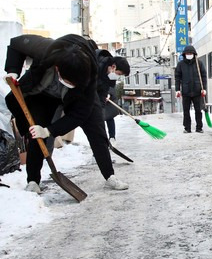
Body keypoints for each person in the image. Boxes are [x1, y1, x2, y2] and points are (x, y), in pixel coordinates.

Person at [4, 34, 128, 193]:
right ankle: (33, 181)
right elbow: (16, 43)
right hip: (45, 94)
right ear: (57, 68)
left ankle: (109, 176)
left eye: (73, 84)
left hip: (78, 98)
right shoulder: (46, 49)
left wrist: (51, 130)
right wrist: (13, 71)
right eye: (68, 81)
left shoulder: (88, 78)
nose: (69, 85)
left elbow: (79, 115)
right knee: (37, 132)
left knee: (97, 131)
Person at [96, 51, 130, 146]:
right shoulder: (96, 67)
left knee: (105, 119)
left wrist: (106, 95)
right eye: (119, 74)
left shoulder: (110, 77)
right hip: (86, 100)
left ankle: (107, 140)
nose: (118, 77)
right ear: (113, 66)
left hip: (101, 101)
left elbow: (107, 88)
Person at [175, 45, 206, 133]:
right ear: (184, 54)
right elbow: (177, 77)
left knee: (198, 110)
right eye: (187, 53)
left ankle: (199, 127)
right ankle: (187, 128)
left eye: (190, 53)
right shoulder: (180, 64)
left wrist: (204, 88)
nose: (189, 55)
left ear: (194, 54)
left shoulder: (199, 63)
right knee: (186, 111)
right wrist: (177, 89)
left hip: (197, 90)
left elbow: (203, 76)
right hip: (186, 91)